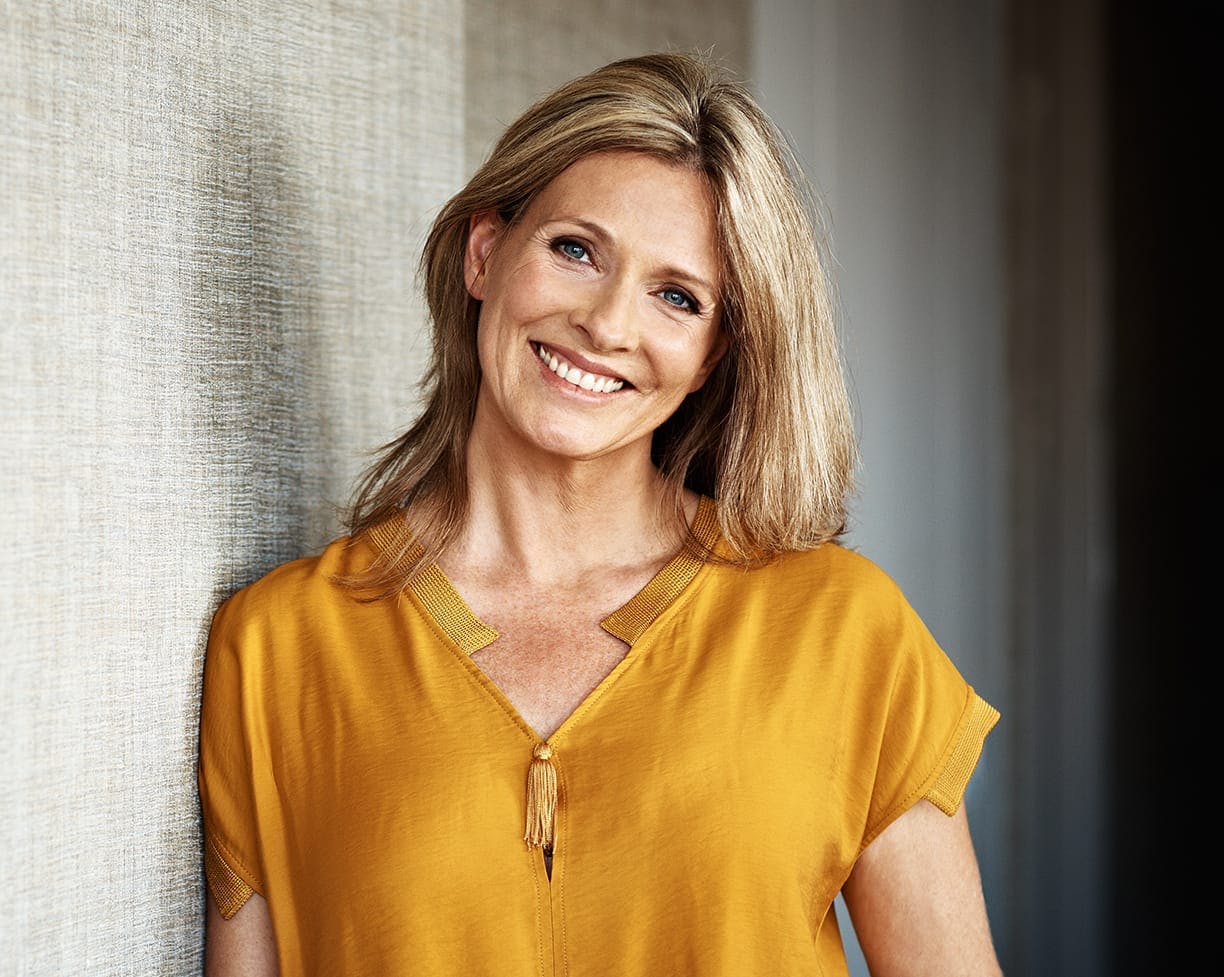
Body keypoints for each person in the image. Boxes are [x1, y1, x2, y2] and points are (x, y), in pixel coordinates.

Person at [198, 51, 1003, 977]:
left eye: (676, 296)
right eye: (576, 249)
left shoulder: (845, 630)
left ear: (711, 354)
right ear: (485, 252)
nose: (609, 324)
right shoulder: (278, 648)